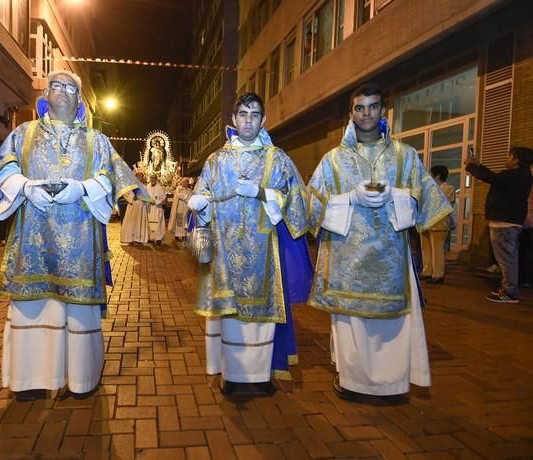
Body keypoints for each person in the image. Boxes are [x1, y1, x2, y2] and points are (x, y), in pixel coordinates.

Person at [0, 69, 148, 400]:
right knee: (34, 307)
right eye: (55, 85)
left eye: (70, 87)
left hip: (79, 239)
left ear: (80, 100)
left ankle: (81, 379)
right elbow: (3, 168)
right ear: (45, 96)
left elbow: (111, 175)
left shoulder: (96, 140)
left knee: (77, 310)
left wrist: (82, 188)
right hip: (34, 238)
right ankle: (32, 380)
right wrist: (26, 187)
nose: (61, 91)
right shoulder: (23, 134)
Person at [307, 83, 452, 400]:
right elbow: (311, 206)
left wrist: (397, 196)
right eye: (359, 108)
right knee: (352, 323)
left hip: (390, 259)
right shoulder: (334, 160)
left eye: (372, 106)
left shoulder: (405, 156)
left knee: (392, 327)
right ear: (351, 114)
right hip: (348, 260)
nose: (366, 113)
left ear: (383, 111)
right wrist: (349, 198)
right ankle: (353, 382)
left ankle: (391, 385)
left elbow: (426, 201)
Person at [187, 92, 312, 395]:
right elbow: (203, 202)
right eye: (243, 114)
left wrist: (261, 192)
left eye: (254, 115)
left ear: (263, 120)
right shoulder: (216, 161)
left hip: (263, 253)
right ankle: (231, 375)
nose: (248, 120)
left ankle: (260, 375)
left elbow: (299, 201)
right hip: (225, 253)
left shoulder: (277, 158)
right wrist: (200, 205)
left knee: (260, 316)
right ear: (233, 119)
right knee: (231, 317)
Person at [465, 146, 533, 303]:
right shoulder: (522, 176)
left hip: (505, 225)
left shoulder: (516, 175)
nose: (506, 158)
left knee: (506, 260)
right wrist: (477, 166)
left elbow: (491, 177)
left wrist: (472, 166)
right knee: (508, 259)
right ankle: (508, 289)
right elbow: (495, 177)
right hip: (509, 224)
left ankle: (510, 293)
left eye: (509, 156)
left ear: (516, 160)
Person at [419, 165, 456, 284]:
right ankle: (427, 272)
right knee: (426, 249)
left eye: (430, 173)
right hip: (424, 222)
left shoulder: (448, 188)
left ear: (437, 175)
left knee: (437, 249)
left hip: (439, 223)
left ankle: (438, 275)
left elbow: (443, 204)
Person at [120, 172, 149, 245]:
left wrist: (145, 199)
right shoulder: (131, 185)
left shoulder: (144, 186)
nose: (141, 178)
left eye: (142, 177)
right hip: (133, 205)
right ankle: (129, 238)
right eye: (140, 177)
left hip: (141, 206)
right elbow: (125, 193)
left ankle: (138, 238)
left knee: (139, 223)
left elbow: (147, 195)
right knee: (131, 223)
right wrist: (132, 197)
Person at [146, 174, 166, 244]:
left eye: (154, 178)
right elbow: (145, 196)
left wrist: (156, 202)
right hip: (149, 208)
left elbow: (164, 199)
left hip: (157, 208)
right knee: (149, 223)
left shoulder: (160, 187)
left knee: (158, 223)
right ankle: (150, 237)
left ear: (156, 179)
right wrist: (148, 201)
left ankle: (158, 238)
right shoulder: (147, 186)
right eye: (151, 178)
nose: (152, 179)